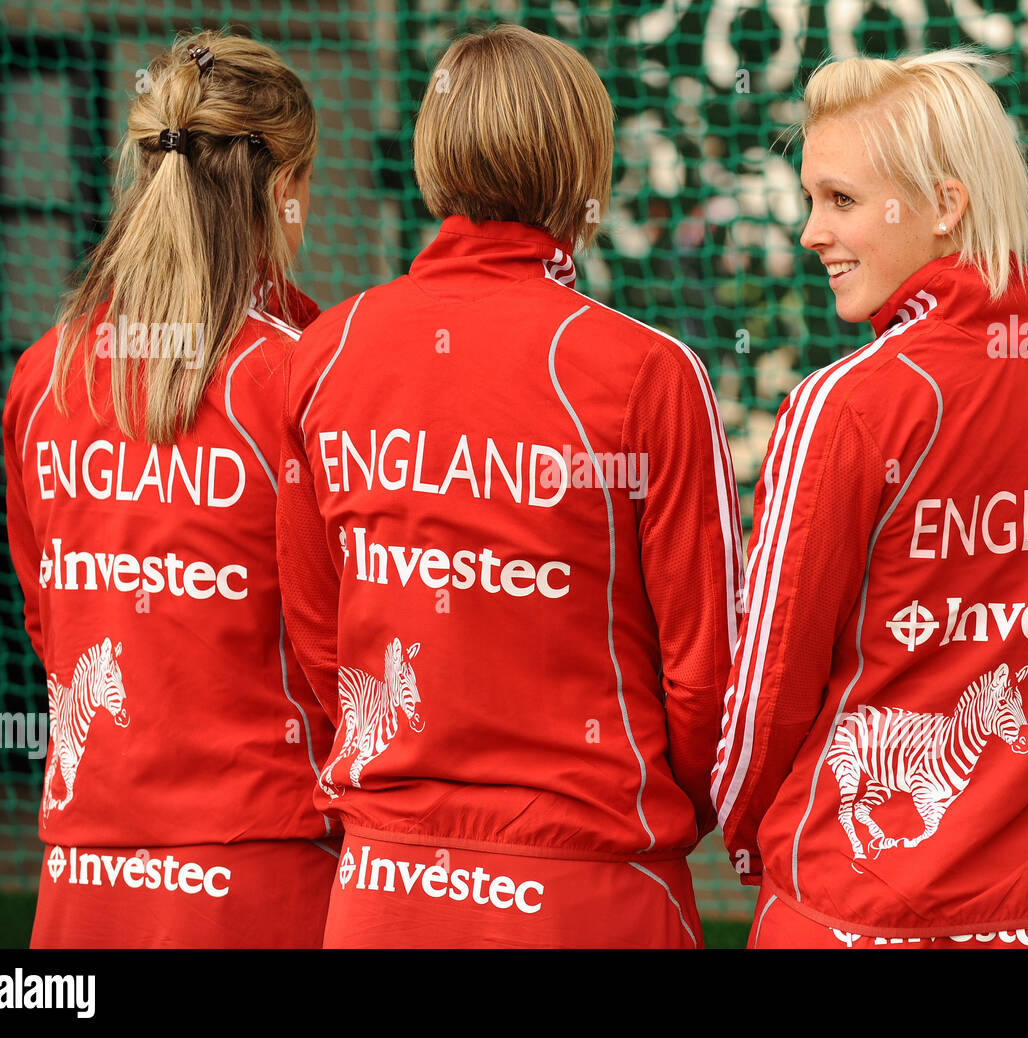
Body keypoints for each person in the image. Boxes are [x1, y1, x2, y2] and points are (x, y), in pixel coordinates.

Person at [277, 24, 743, 949]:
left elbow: (317, 642)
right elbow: (708, 674)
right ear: (585, 167)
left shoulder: (327, 351)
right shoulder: (647, 371)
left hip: (384, 891)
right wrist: (650, 808)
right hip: (589, 885)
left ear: (432, 157)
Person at [711, 50, 1028, 949]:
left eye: (839, 200)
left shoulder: (845, 404)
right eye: (811, 200)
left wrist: (756, 839)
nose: (810, 232)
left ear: (946, 205)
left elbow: (768, 694)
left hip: (847, 910)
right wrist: (1006, 803)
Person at [2, 30, 337, 948]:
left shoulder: (46, 374)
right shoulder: (300, 379)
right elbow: (339, 641)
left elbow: (48, 614)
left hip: (82, 874)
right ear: (285, 190)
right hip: (263, 872)